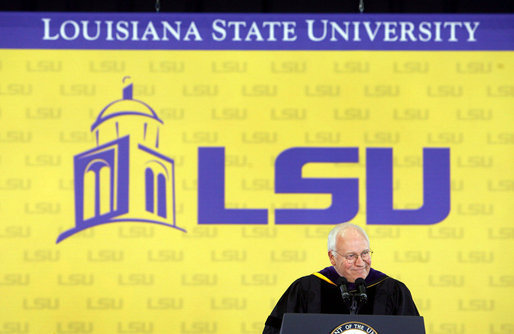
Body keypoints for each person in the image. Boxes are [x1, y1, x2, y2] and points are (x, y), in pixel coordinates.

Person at [263, 223, 419, 334]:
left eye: (365, 253)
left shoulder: (393, 290)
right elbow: (275, 330)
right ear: (332, 257)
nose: (360, 262)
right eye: (351, 256)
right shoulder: (305, 289)